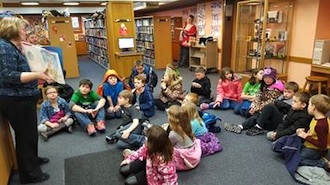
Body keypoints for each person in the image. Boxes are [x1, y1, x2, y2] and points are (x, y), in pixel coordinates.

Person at [0, 16, 52, 183]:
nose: (25, 32)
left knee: (30, 134)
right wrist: (37, 75)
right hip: (15, 99)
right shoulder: (4, 47)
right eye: (23, 29)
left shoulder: (13, 46)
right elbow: (9, 75)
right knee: (25, 136)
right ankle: (30, 175)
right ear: (12, 30)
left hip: (23, 97)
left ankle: (32, 161)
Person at [224, 80, 290, 134]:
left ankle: (258, 127)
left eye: (289, 92)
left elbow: (286, 114)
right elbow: (259, 98)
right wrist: (256, 109)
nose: (286, 94)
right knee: (258, 115)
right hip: (269, 121)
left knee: (269, 107)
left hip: (279, 124)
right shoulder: (280, 97)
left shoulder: (292, 102)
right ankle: (240, 127)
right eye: (285, 92)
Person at [296, 94, 330, 171]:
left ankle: (323, 163)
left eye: (309, 104)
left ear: (314, 108)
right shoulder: (317, 118)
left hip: (317, 150)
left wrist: (305, 137)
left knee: (298, 160)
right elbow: (313, 130)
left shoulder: (320, 125)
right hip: (310, 144)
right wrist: (304, 131)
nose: (308, 107)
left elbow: (323, 145)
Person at [167, 105, 202, 170]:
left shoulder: (173, 134)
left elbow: (168, 145)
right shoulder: (188, 126)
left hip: (184, 160)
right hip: (192, 154)